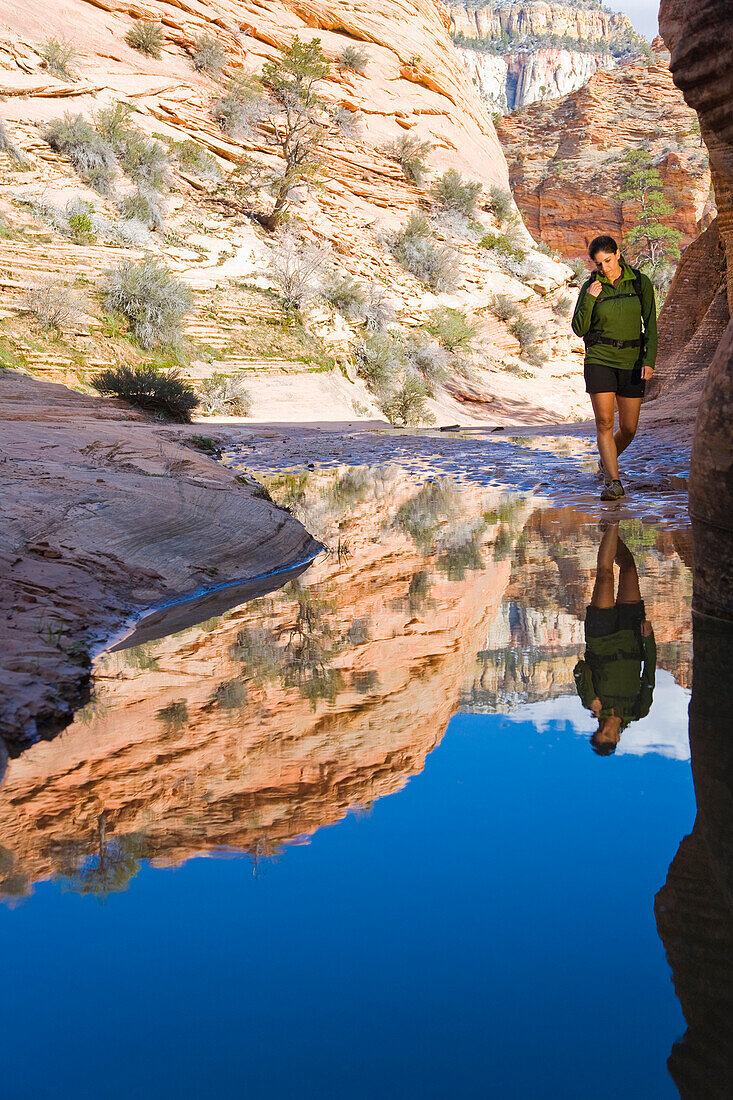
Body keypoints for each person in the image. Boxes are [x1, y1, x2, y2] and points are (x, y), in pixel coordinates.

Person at [571, 235, 658, 501]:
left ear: (617, 254)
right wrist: (589, 299)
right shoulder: (591, 286)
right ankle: (614, 482)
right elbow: (578, 328)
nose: (605, 268)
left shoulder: (640, 282)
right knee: (605, 422)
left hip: (631, 360)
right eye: (599, 265)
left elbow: (651, 325)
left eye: (608, 261)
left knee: (629, 428)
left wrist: (649, 360)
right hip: (599, 359)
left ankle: (606, 461)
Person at [574, 523, 656, 754]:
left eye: (599, 729)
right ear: (617, 738)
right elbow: (649, 671)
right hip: (632, 635)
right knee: (629, 568)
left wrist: (591, 698)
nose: (604, 726)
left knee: (605, 576)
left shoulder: (591, 704)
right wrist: (649, 640)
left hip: (601, 638)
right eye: (607, 732)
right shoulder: (639, 710)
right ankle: (609, 532)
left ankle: (612, 520)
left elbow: (581, 668)